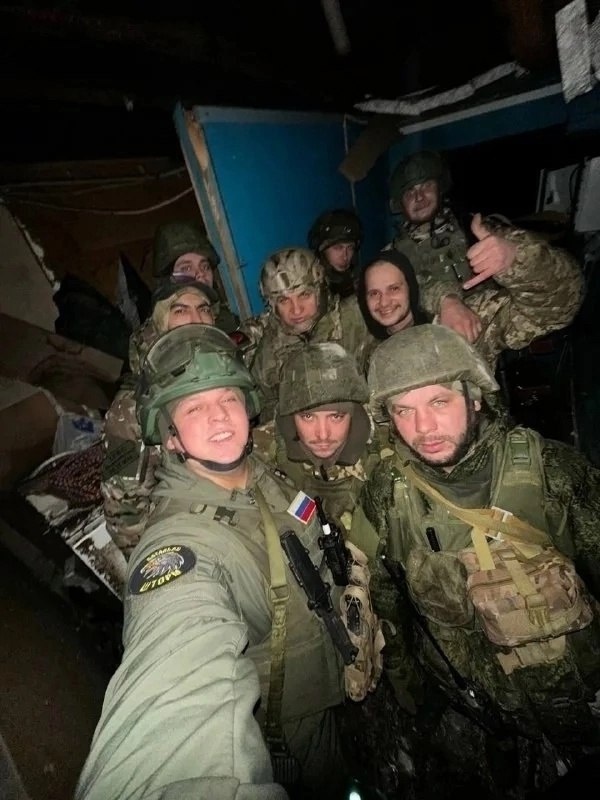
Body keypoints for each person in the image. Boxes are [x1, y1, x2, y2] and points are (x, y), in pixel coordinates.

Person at [77, 324, 358, 800]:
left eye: (228, 398)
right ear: (171, 438)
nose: (219, 416)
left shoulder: (262, 473)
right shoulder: (181, 543)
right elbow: (177, 669)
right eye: (193, 408)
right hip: (284, 740)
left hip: (328, 696)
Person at [349, 323, 600, 797]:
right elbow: (385, 602)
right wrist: (412, 691)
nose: (423, 428)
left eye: (438, 402)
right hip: (472, 711)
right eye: (403, 410)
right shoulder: (386, 492)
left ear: (475, 397)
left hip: (577, 707)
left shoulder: (554, 474)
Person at [388, 150, 584, 347]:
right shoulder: (391, 256)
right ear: (400, 203)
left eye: (426, 185)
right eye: (410, 192)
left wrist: (516, 260)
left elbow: (565, 294)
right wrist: (446, 300)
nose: (419, 196)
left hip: (489, 331)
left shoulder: (477, 229)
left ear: (440, 188)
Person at [101, 277, 218, 559]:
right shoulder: (130, 410)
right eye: (181, 310)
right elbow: (124, 510)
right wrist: (158, 565)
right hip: (186, 537)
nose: (196, 319)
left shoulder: (218, 372)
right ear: (160, 323)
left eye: (203, 309)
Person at [358, 235, 584, 373]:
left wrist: (517, 259)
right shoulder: (366, 351)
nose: (384, 301)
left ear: (411, 288)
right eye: (374, 293)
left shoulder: (459, 323)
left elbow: (562, 303)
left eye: (394, 289)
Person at [253, 342, 391, 528]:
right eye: (308, 417)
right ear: (291, 417)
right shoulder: (260, 449)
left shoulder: (387, 449)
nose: (323, 434)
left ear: (353, 413)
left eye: (336, 416)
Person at [250, 247, 376, 422]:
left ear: (320, 291)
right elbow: (267, 409)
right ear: (272, 306)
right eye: (284, 300)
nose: (296, 310)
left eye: (304, 294)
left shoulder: (356, 322)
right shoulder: (269, 350)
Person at [152, 219, 240, 334]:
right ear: (169, 279)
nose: (201, 274)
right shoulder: (151, 338)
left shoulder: (230, 325)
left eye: (205, 267)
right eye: (186, 268)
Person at [307, 208, 362, 298]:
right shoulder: (311, 286)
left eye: (350, 248)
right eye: (338, 248)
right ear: (322, 249)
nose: (345, 256)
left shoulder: (357, 281)